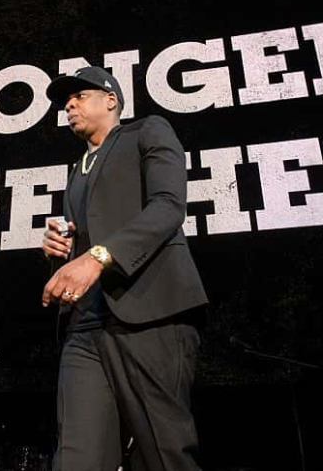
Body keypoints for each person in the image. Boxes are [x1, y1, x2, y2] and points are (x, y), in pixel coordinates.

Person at [41, 65, 208, 471]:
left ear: (111, 99)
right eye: (67, 100)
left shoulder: (147, 131)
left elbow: (168, 206)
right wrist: (58, 251)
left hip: (147, 314)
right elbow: (80, 250)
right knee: (78, 459)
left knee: (163, 455)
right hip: (84, 328)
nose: (69, 104)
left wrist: (97, 257)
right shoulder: (75, 172)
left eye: (79, 96)